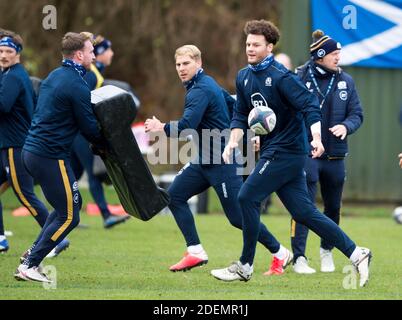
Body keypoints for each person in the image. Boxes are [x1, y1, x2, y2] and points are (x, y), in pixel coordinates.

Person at [210, 20, 371, 288]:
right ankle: (357, 253)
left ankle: (245, 265)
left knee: (247, 196)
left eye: (256, 45)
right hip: (273, 150)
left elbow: (310, 107)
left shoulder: (283, 77)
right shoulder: (244, 77)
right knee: (305, 212)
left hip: (289, 151)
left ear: (269, 47)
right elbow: (239, 115)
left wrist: (317, 138)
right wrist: (231, 144)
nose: (249, 48)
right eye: (248, 44)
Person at [145, 45, 291, 274]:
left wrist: (159, 127)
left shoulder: (200, 90)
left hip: (222, 161)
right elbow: (235, 106)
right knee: (174, 196)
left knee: (237, 218)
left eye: (186, 64)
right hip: (203, 160)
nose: (181, 69)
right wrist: (249, 133)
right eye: (178, 64)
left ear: (198, 63)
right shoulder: (205, 84)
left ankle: (280, 253)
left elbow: (186, 127)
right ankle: (195, 251)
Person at [14, 32, 106, 282]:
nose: (94, 55)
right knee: (70, 216)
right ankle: (30, 265)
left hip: (32, 152)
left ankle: (29, 258)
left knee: (60, 210)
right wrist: (108, 141)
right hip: (49, 156)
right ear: (79, 55)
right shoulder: (76, 84)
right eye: (90, 51)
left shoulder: (54, 76)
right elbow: (88, 126)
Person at [290, 30, 364, 274]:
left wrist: (346, 126)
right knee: (303, 205)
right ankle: (299, 257)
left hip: (336, 156)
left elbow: (357, 114)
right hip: (307, 153)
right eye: (334, 53)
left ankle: (326, 251)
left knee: (333, 207)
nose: (338, 57)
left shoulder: (347, 81)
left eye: (339, 53)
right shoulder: (300, 77)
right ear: (320, 56)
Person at [0, 31, 62, 255]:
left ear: (17, 54)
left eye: (9, 51)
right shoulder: (8, 74)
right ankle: (1, 239)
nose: (4, 55)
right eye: (1, 51)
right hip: (9, 144)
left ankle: (56, 239)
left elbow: (3, 105)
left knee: (25, 194)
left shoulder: (15, 76)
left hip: (16, 145)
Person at [70, 34, 129, 229]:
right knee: (92, 173)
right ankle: (105, 215)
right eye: (107, 49)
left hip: (78, 129)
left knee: (75, 173)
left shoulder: (94, 71)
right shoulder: (91, 73)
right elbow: (81, 101)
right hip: (80, 131)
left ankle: (67, 215)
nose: (111, 53)